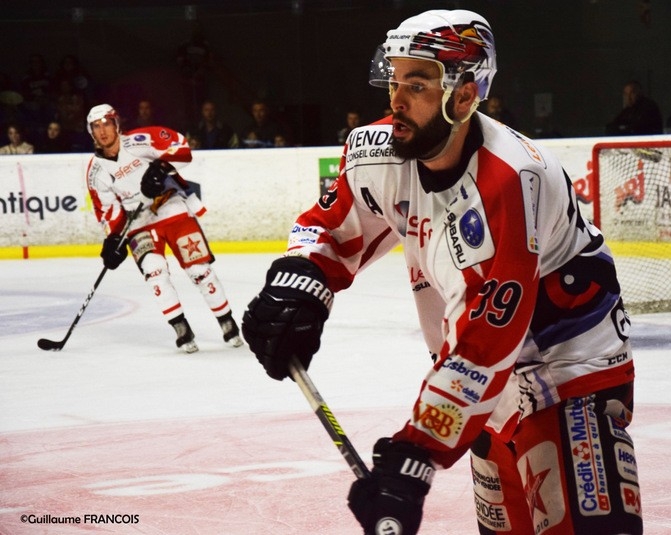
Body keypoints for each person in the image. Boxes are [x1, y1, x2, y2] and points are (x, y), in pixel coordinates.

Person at [241, 9, 642, 535]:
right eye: (395, 78)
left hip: (567, 372)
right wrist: (296, 288)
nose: (396, 98)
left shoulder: (511, 180)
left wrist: (414, 457)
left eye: (418, 83)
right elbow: (332, 230)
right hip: (474, 382)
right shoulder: (377, 152)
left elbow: (489, 338)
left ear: (465, 95)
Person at [85, 103, 243, 353]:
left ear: (116, 124)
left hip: (170, 207)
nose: (102, 131)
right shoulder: (95, 172)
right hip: (137, 223)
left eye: (106, 124)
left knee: (198, 268)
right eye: (96, 126)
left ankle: (227, 321)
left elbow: (181, 147)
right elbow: (108, 210)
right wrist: (113, 239)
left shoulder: (139, 141)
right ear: (91, 132)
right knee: (154, 271)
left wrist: (160, 168)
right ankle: (181, 327)